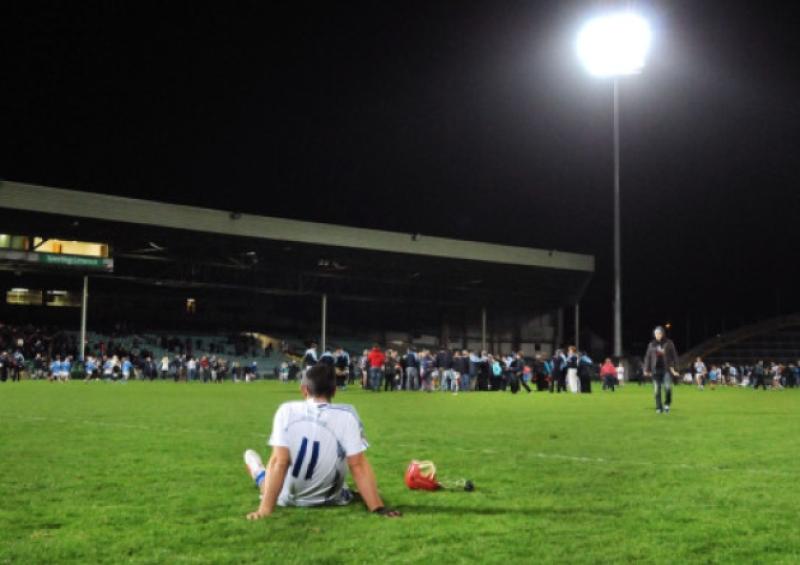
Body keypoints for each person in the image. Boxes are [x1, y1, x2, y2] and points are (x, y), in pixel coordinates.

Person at [242, 364, 400, 519]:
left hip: (287, 498)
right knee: (346, 486)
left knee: (270, 473)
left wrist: (265, 510)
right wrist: (378, 508)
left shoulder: (286, 410)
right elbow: (357, 465)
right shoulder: (348, 414)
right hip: (332, 498)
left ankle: (259, 474)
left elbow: (279, 462)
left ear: (304, 389)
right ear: (335, 391)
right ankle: (260, 475)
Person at [643, 326, 679, 414]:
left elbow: (674, 356)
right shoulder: (651, 344)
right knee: (657, 390)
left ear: (662, 334)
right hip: (655, 370)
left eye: (659, 333)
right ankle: (659, 407)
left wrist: (676, 368)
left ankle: (667, 404)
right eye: (655, 334)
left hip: (666, 370)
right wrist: (646, 369)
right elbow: (648, 357)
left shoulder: (669, 343)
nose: (657, 335)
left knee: (667, 388)